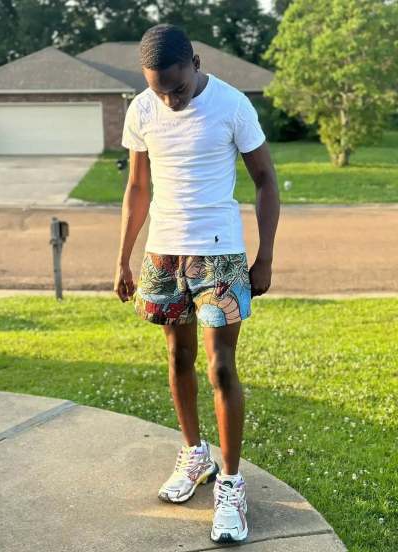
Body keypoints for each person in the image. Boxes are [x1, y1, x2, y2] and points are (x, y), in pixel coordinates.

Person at [114, 23, 280, 544]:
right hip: (164, 251)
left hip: (220, 253)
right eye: (160, 90)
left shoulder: (232, 105)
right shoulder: (143, 109)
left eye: (178, 88)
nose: (171, 100)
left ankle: (230, 483)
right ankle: (194, 454)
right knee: (177, 357)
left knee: (220, 366)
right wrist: (124, 257)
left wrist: (265, 256)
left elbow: (265, 180)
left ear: (197, 63)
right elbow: (137, 186)